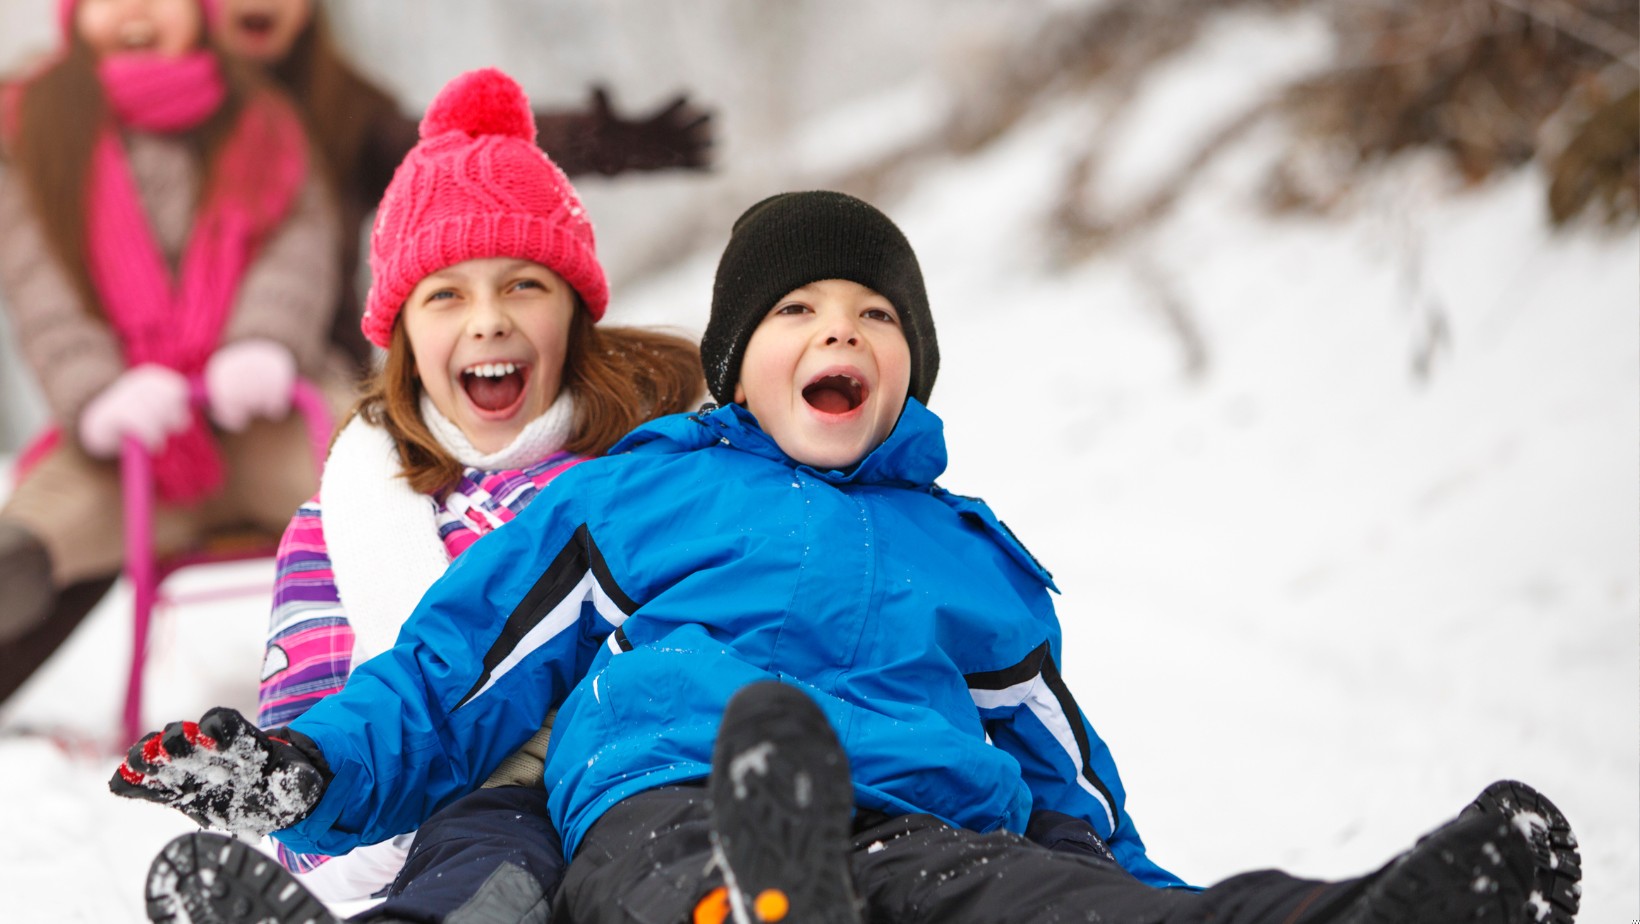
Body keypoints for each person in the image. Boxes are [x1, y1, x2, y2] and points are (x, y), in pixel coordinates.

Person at [110, 191, 1583, 924]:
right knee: (705, 842)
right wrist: (301, 768)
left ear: (912, 370)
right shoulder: (639, 499)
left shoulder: (968, 556)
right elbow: (451, 675)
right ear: (738, 364)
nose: (842, 337)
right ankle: (755, 905)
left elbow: (1069, 778)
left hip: (927, 833)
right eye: (801, 313)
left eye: (875, 318)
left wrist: (1112, 891)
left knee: (1086, 906)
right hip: (674, 808)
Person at [257, 66, 700, 919]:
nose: (487, 320)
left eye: (522, 284)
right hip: (439, 848)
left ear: (573, 310)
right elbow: (300, 815)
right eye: (445, 295)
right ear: (403, 334)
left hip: (646, 811)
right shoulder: (336, 532)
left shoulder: (655, 474)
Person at [0, 0, 345, 704]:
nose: (135, 9)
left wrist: (265, 339)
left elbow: (300, 240)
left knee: (384, 475)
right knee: (30, 539)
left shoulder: (262, 120)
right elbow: (41, 283)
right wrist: (96, 390)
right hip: (129, 445)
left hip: (264, 413)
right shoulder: (35, 132)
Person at [210, 0, 714, 369]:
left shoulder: (345, 111)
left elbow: (461, 146)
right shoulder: (167, 124)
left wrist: (593, 139)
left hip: (318, 369)